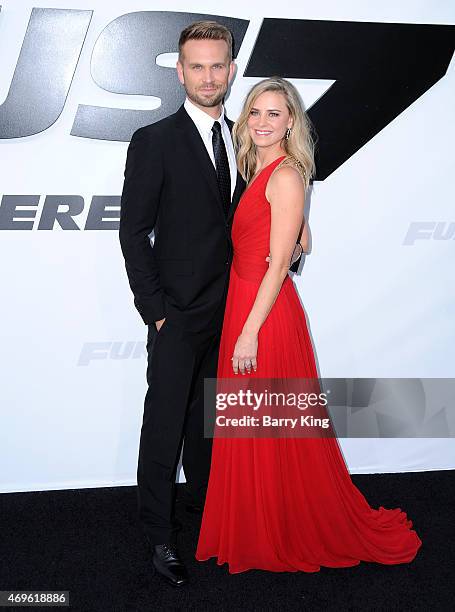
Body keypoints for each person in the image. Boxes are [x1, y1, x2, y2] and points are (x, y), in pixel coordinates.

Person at [195, 77, 422, 573]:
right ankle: (262, 521)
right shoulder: (260, 170)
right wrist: (300, 230)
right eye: (254, 112)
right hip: (247, 299)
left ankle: (280, 527)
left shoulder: (287, 175)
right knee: (257, 424)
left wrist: (250, 330)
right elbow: (299, 243)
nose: (260, 122)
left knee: (273, 426)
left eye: (274, 114)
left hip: (264, 312)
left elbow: (278, 265)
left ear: (291, 121)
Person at [119, 21, 304, 587]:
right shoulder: (154, 141)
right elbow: (133, 233)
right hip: (177, 315)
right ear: (180, 72)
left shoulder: (243, 142)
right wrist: (156, 310)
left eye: (218, 65)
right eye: (196, 66)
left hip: (233, 314)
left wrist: (300, 236)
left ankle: (205, 522)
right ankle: (157, 537)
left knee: (210, 429)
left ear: (230, 70)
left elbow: (261, 219)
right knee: (165, 428)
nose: (208, 76)